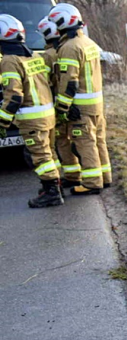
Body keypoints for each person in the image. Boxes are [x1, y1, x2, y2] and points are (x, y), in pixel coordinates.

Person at [0, 14, 62, 208]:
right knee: (49, 153)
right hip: (47, 114)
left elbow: (14, 96)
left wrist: (2, 121)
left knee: (40, 156)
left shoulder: (9, 61)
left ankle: (51, 193)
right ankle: (55, 185)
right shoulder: (34, 55)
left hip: (32, 118)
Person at [48, 3, 106, 195]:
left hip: (80, 106)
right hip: (96, 104)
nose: (55, 28)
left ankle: (91, 183)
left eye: (56, 23)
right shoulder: (89, 43)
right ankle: (104, 178)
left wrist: (62, 108)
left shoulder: (70, 48)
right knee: (98, 141)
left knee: (85, 143)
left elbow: (69, 82)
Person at [37, 17, 73, 185]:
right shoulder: (66, 49)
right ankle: (74, 173)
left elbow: (43, 83)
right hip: (71, 102)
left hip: (55, 104)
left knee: (60, 141)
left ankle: (64, 176)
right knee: (70, 139)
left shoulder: (47, 56)